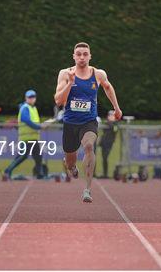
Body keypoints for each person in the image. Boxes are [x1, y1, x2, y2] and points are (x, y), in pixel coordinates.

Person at [55, 42, 122, 203]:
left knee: (89, 146)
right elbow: (59, 101)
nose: (82, 57)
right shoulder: (65, 74)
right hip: (70, 123)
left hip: (89, 121)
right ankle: (71, 165)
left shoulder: (98, 74)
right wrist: (70, 83)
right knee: (70, 163)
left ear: (90, 56)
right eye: (79, 54)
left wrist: (117, 108)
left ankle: (87, 189)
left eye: (85, 54)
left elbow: (107, 87)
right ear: (74, 56)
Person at [4, 90, 48, 179]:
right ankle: (8, 170)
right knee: (23, 156)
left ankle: (40, 174)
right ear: (26, 98)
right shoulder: (25, 107)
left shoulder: (33, 108)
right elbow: (26, 120)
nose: (31, 99)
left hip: (33, 138)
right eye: (29, 97)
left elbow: (33, 121)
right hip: (26, 138)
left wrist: (39, 126)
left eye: (33, 97)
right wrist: (39, 127)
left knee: (38, 157)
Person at [98, 110, 118, 178]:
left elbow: (114, 129)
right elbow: (104, 130)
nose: (110, 116)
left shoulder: (115, 124)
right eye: (109, 115)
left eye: (112, 115)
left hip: (109, 143)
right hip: (104, 142)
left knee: (105, 157)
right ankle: (104, 174)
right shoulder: (106, 123)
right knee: (103, 158)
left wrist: (111, 122)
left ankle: (105, 173)